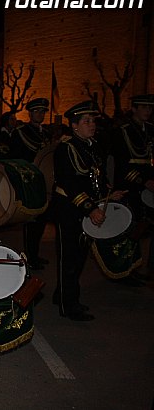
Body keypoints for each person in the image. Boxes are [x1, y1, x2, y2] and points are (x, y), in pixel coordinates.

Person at [52, 101, 127, 321]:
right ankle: (69, 306)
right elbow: (69, 183)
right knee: (69, 258)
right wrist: (90, 208)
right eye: (86, 121)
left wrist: (107, 195)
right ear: (74, 125)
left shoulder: (91, 146)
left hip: (86, 207)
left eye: (93, 120)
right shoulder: (66, 148)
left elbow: (95, 177)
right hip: (69, 209)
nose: (92, 124)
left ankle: (62, 294)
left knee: (80, 257)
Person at [110, 94, 154, 283]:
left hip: (150, 185)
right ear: (134, 109)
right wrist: (143, 182)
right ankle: (123, 268)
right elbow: (122, 164)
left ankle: (142, 267)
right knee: (131, 229)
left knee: (146, 227)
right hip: (130, 186)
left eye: (150, 108)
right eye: (143, 107)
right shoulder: (123, 131)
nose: (147, 111)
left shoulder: (151, 130)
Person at [10, 97, 53, 270]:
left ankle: (35, 254)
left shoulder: (47, 133)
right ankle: (29, 256)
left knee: (41, 219)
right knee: (31, 220)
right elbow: (16, 157)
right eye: (37, 111)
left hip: (45, 181)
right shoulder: (21, 132)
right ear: (30, 113)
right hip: (29, 180)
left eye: (42, 111)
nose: (40, 114)